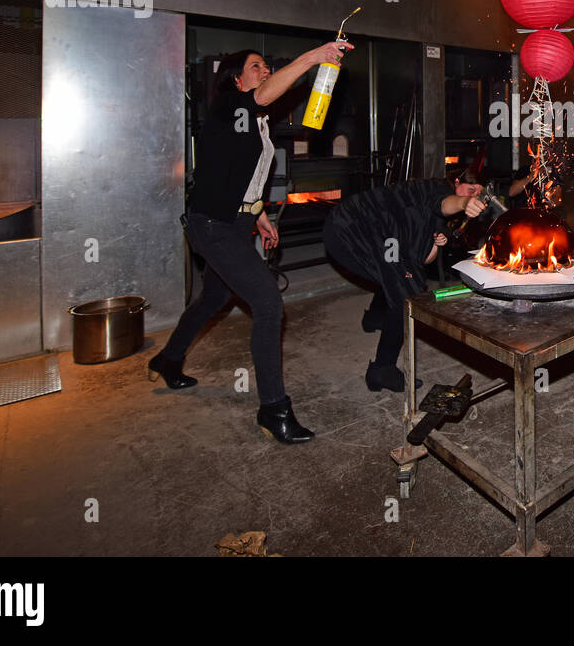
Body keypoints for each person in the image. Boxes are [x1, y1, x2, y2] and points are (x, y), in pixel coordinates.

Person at [151, 41, 352, 445]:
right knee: (267, 302)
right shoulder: (229, 104)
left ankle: (168, 358)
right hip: (212, 226)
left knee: (212, 299)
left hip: (234, 222)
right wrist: (313, 58)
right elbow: (263, 94)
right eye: (256, 66)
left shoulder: (256, 120)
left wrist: (258, 215)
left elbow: (238, 174)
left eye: (266, 65)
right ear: (237, 78)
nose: (264, 70)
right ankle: (273, 409)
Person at [323, 172, 486, 392]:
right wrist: (465, 202)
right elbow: (445, 203)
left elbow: (424, 258)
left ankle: (374, 317)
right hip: (349, 229)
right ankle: (382, 369)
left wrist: (437, 244)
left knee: (398, 271)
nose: (475, 194)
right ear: (456, 182)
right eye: (470, 189)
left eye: (478, 192)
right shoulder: (437, 188)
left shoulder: (437, 218)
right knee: (406, 294)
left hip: (370, 234)